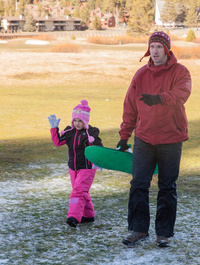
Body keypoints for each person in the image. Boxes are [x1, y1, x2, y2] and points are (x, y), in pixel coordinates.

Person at [117, 31, 191, 248]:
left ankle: (164, 233)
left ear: (167, 50)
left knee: (167, 186)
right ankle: (138, 230)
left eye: (159, 47)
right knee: (138, 184)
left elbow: (181, 94)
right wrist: (124, 136)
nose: (155, 51)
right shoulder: (140, 75)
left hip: (170, 138)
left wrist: (159, 98)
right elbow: (130, 106)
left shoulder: (181, 72)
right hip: (144, 138)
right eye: (152, 47)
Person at [48, 99, 103, 228]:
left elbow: (98, 148)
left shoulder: (90, 133)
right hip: (73, 168)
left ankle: (73, 217)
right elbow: (58, 142)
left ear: (85, 121)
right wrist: (54, 128)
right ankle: (88, 215)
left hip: (87, 168)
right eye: (75, 120)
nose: (77, 123)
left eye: (80, 121)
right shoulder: (69, 133)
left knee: (77, 192)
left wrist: (99, 159)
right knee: (81, 191)